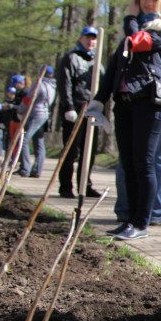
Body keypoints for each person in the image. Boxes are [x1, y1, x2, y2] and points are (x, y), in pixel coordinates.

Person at [92, 0, 161, 241]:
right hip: (125, 104)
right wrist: (99, 100)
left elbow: (139, 40)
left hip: (149, 103)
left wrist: (130, 18)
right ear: (138, 0)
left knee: (145, 163)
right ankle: (129, 219)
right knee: (127, 162)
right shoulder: (128, 36)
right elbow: (116, 66)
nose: (149, 2)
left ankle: (142, 222)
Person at [56, 26, 105, 199]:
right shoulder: (71, 59)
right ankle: (65, 186)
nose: (91, 42)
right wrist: (68, 107)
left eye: (94, 39)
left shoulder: (97, 62)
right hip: (76, 109)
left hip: (92, 110)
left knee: (89, 150)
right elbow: (65, 84)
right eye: (88, 38)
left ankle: (85, 185)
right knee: (71, 150)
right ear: (81, 38)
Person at [17, 68, 57, 178]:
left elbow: (28, 99)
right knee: (39, 141)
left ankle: (25, 168)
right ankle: (37, 169)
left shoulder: (38, 84)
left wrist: (20, 110)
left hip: (35, 114)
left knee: (24, 140)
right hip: (44, 114)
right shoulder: (52, 86)